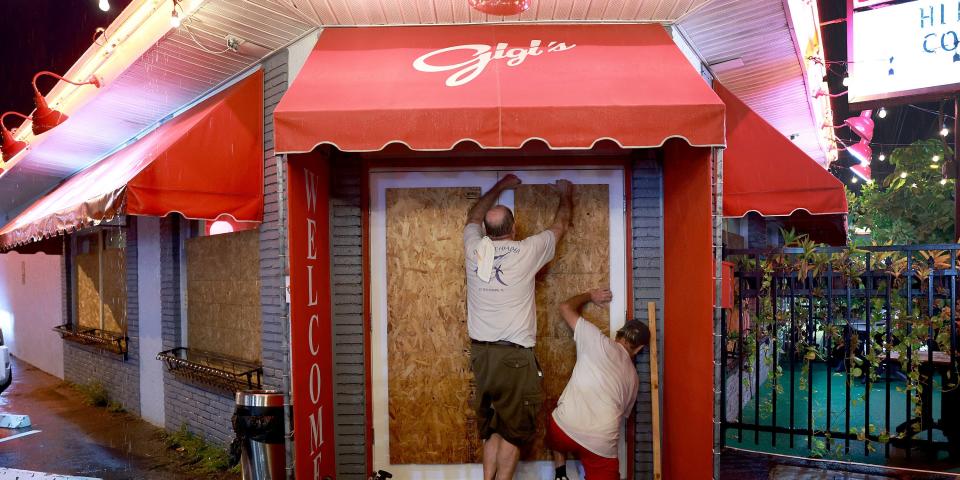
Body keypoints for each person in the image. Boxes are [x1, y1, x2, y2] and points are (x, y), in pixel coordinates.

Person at [464, 173, 573, 480]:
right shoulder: (526, 251)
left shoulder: (473, 249)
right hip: (513, 358)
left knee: (493, 427)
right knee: (512, 432)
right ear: (513, 228)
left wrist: (499, 186)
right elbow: (559, 226)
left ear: (486, 230)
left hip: (482, 356)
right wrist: (565, 194)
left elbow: (473, 216)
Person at [548, 289, 649, 480]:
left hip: (564, 430)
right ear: (639, 349)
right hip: (600, 443)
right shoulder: (634, 379)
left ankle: (560, 473)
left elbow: (565, 307)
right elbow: (623, 417)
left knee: (555, 412)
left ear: (620, 334)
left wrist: (590, 296)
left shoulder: (595, 338)